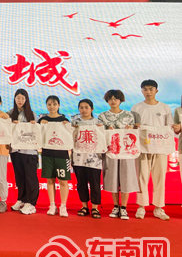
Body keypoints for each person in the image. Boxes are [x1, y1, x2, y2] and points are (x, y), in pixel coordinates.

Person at [132, 79, 173, 221]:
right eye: (145, 89)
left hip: (160, 148)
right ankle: (141, 206)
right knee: (141, 177)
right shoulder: (137, 107)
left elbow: (169, 127)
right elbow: (133, 127)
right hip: (142, 147)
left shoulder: (165, 108)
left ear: (156, 90)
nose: (148, 92)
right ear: (141, 91)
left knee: (160, 178)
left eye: (151, 89)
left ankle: (159, 208)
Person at [98, 89, 139, 220]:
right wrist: (106, 130)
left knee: (126, 178)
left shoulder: (129, 115)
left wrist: (131, 128)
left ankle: (124, 207)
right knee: (112, 178)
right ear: (107, 101)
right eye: (110, 99)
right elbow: (99, 133)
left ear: (121, 100)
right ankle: (115, 206)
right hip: (111, 151)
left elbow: (133, 133)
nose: (113, 101)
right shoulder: (102, 116)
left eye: (116, 98)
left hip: (126, 152)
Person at [39, 95, 71, 217]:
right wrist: (40, 124)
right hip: (47, 154)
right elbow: (37, 135)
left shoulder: (64, 120)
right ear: (46, 106)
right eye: (49, 104)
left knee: (63, 181)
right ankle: (52, 205)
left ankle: (63, 206)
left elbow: (69, 136)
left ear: (58, 105)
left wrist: (67, 126)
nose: (52, 107)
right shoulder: (43, 120)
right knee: (50, 180)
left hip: (62, 155)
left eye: (54, 104)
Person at [8, 89, 39, 215]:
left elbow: (37, 131)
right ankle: (21, 199)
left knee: (30, 177)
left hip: (29, 151)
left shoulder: (32, 114)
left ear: (26, 100)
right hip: (15, 151)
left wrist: (33, 124)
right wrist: (11, 123)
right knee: (19, 177)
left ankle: (31, 203)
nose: (20, 100)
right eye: (18, 98)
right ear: (14, 99)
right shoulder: (10, 113)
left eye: (22, 98)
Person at [71, 99, 104, 219]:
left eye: (86, 107)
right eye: (81, 107)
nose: (84, 110)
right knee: (81, 183)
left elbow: (102, 138)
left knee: (95, 183)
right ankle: (84, 206)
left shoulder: (98, 123)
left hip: (94, 159)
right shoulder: (74, 122)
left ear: (92, 109)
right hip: (78, 158)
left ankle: (95, 207)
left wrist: (102, 129)